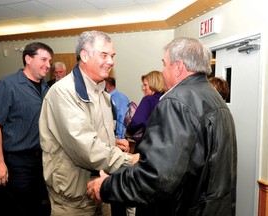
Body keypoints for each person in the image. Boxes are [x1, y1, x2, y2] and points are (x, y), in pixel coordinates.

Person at [87, 37, 237, 216]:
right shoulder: (214, 98)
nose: (163, 71)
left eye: (165, 65)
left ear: (178, 66)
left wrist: (107, 187)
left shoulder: (177, 102)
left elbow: (157, 178)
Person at [39, 30, 139, 216]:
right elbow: (84, 147)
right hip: (74, 198)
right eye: (104, 55)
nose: (111, 61)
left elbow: (93, 133)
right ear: (84, 56)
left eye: (112, 56)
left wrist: (111, 142)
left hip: (100, 188)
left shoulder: (101, 92)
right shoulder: (63, 92)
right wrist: (129, 160)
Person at [0, 42, 54, 216]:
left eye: (49, 61)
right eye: (43, 59)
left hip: (40, 161)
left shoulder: (46, 89)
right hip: (15, 163)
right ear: (28, 58)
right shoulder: (7, 85)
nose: (48, 65)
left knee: (36, 207)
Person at [125, 70, 165, 153]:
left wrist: (128, 132)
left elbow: (137, 122)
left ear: (154, 85)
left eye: (145, 85)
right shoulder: (166, 100)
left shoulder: (148, 100)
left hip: (145, 146)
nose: (143, 88)